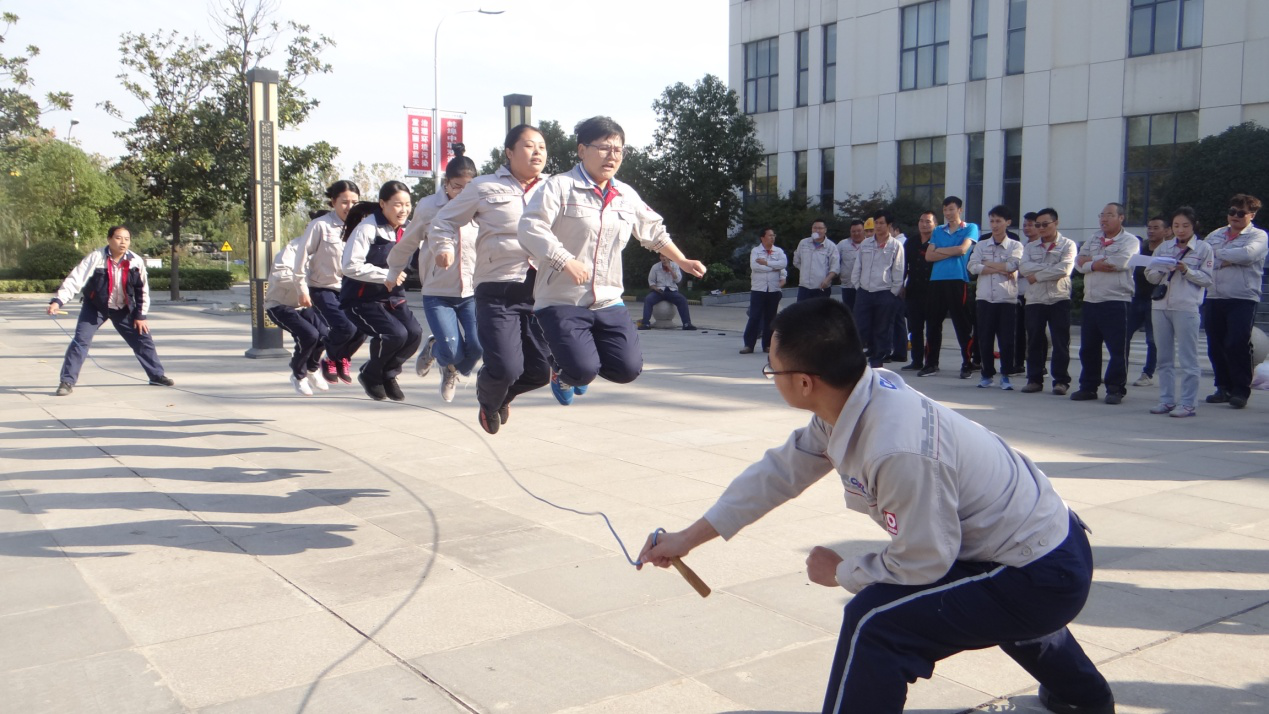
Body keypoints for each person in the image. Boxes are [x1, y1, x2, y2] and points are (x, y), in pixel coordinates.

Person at [638, 298, 1116, 714]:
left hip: (1042, 572)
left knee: (876, 620)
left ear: (804, 382)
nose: (771, 377)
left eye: (772, 369)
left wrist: (843, 570)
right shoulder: (855, 397)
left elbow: (924, 559)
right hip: (1035, 547)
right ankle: (1082, 695)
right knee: (974, 595)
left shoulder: (896, 447)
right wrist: (686, 539)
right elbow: (778, 474)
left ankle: (1078, 687)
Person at [519, 116, 706, 406]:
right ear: (582, 150)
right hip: (562, 299)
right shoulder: (559, 187)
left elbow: (653, 231)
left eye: (619, 150)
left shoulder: (625, 195)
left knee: (628, 369)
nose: (613, 156)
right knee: (583, 370)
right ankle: (565, 371)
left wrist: (682, 260)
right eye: (604, 148)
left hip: (607, 300)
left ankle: (576, 362)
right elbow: (531, 227)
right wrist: (564, 259)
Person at [430, 124, 551, 434]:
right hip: (499, 290)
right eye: (528, 145)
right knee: (507, 367)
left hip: (543, 290)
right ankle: (488, 394)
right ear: (509, 153)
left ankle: (501, 395)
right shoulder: (483, 187)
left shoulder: (554, 188)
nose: (537, 151)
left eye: (542, 146)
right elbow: (443, 221)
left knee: (540, 371)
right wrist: (444, 249)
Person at [386, 146, 483, 403]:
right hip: (438, 292)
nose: (462, 192)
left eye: (469, 186)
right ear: (446, 184)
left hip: (473, 291)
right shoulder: (429, 207)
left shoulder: (482, 206)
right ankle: (437, 349)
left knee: (477, 346)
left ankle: (449, 367)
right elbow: (407, 242)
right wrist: (394, 270)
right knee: (451, 348)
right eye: (456, 186)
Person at [48, 225, 174, 396]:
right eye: (118, 238)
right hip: (95, 307)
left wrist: (140, 315)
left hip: (123, 308)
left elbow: (142, 290)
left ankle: (156, 375)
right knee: (80, 341)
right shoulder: (96, 258)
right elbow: (76, 279)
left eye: (127, 239)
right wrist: (58, 301)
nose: (123, 242)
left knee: (143, 339)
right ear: (109, 239)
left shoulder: (135, 262)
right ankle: (67, 381)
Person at [340, 181, 424, 402]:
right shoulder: (367, 228)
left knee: (414, 333)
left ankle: (386, 374)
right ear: (382, 204)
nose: (404, 210)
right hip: (361, 300)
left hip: (393, 296)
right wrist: (385, 275)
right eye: (397, 204)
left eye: (407, 204)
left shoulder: (409, 229)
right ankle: (371, 375)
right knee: (395, 334)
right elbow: (349, 266)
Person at [1145, 207, 1215, 418]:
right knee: (1164, 357)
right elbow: (1149, 275)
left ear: (1194, 227)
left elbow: (1207, 279)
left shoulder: (1203, 249)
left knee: (1188, 358)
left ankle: (1187, 403)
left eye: (1185, 226)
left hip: (1186, 307)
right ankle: (1166, 400)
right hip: (1160, 306)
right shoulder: (1164, 248)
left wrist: (1186, 270)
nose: (1180, 230)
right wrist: (1161, 269)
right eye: (1176, 226)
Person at [1201, 193, 1268, 410]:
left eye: (1241, 213)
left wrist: (1217, 257)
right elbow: (1203, 256)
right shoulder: (1216, 234)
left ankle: (1240, 390)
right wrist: (1227, 258)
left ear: (1252, 215)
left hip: (1242, 297)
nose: (1235, 217)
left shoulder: (1258, 236)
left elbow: (1248, 255)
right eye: (1232, 212)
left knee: (1236, 342)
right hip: (1214, 296)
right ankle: (1223, 387)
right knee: (1216, 344)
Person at [1071, 203, 1139, 405]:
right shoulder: (1093, 238)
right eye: (1102, 215)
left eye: (1109, 215)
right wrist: (1095, 263)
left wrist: (1090, 262)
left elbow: (1120, 262)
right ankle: (1088, 387)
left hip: (1116, 300)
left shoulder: (1130, 241)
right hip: (1091, 300)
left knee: (1117, 349)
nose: (1104, 219)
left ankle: (1115, 388)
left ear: (1121, 218)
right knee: (1088, 348)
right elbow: (1078, 263)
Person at [297, 180, 364, 385]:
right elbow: (301, 255)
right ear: (333, 202)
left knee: (363, 328)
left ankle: (341, 358)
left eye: (354, 202)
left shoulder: (363, 226)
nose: (350, 207)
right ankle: (329, 360)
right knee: (346, 327)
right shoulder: (321, 225)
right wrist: (301, 288)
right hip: (323, 288)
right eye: (344, 202)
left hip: (351, 288)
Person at [265, 224, 331, 396]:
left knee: (325, 334)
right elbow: (279, 276)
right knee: (309, 335)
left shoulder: (329, 252)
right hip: (279, 305)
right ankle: (298, 375)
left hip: (304, 305)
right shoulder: (294, 248)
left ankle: (312, 369)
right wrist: (305, 283)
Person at [1019, 208, 1077, 395]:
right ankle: (1034, 379)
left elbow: (1065, 269)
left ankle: (1061, 381)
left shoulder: (1068, 245)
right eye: (1038, 225)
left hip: (1058, 298)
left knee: (1060, 341)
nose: (1041, 228)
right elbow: (1024, 268)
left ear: (1056, 223)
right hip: (1035, 299)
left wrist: (1038, 274)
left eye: (1045, 224)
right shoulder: (1030, 247)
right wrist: (1048, 269)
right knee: (1035, 339)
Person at [922, 196, 980, 378]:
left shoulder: (970, 228)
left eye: (951, 209)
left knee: (961, 323)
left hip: (957, 280)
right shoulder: (938, 230)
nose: (948, 213)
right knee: (932, 323)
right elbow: (928, 256)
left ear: (960, 210)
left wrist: (940, 250)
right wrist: (950, 251)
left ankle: (967, 363)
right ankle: (931, 363)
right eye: (945, 210)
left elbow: (962, 250)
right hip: (936, 280)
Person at [968, 205, 1024, 390]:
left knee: (1007, 339)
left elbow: (1012, 266)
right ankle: (986, 374)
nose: (994, 225)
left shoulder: (1015, 245)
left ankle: (1006, 375)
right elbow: (973, 266)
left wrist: (987, 265)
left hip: (1006, 298)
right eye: (992, 221)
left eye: (998, 221)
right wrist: (998, 266)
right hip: (984, 298)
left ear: (1008, 222)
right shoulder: (982, 244)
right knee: (984, 338)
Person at [850, 211, 905, 368]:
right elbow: (858, 266)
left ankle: (878, 359)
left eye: (881, 223)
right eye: (876, 223)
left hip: (884, 292)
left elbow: (898, 270)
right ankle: (858, 357)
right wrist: (857, 285)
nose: (878, 226)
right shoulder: (866, 244)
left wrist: (892, 293)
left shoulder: (896, 245)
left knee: (882, 328)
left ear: (889, 225)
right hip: (864, 291)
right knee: (860, 326)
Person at [1127, 216, 1169, 388]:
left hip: (1156, 299)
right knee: (1124, 335)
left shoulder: (1168, 250)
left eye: (1156, 228)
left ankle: (1148, 373)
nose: (1151, 231)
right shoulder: (1141, 247)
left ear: (1167, 231)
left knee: (1152, 339)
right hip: (1137, 297)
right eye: (1149, 227)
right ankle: (1120, 369)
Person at [901, 211, 936, 372]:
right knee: (915, 327)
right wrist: (901, 285)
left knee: (932, 329)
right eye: (921, 221)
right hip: (913, 289)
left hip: (933, 290)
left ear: (935, 224)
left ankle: (931, 362)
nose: (924, 224)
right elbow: (903, 266)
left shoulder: (938, 241)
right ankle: (916, 360)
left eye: (928, 221)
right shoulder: (911, 242)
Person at [742, 228, 787, 354]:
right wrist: (774, 267)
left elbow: (783, 264)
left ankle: (767, 345)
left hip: (773, 289)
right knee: (754, 316)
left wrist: (766, 263)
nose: (772, 238)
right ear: (762, 237)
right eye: (770, 235)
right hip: (758, 289)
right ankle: (748, 345)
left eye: (774, 235)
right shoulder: (756, 251)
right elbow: (755, 267)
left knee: (771, 318)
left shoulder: (778, 251)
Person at [1013, 211, 1043, 375]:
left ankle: (1039, 365)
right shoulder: (1020, 246)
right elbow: (1016, 268)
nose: (1027, 228)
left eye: (1031, 224)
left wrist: (1026, 269)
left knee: (1036, 331)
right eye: (1024, 225)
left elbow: (1041, 268)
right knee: (1018, 331)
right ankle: (1018, 363)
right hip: (1019, 293)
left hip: (1037, 294)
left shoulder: (1043, 246)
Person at [640, 255, 696, 331]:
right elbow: (651, 282)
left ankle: (686, 324)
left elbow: (678, 280)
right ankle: (645, 323)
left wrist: (670, 268)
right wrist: (655, 288)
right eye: (662, 256)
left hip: (671, 290)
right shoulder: (655, 267)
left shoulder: (675, 265)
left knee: (682, 300)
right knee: (648, 299)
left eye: (665, 257)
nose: (664, 258)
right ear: (660, 257)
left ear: (669, 257)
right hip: (659, 291)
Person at [792, 219, 839, 301]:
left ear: (825, 230)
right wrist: (805, 270)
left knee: (820, 313)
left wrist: (827, 280)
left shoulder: (831, 246)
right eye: (815, 228)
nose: (817, 230)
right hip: (804, 287)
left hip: (821, 288)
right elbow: (796, 261)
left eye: (820, 228)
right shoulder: (803, 243)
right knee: (801, 312)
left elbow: (835, 267)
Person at [837, 219, 866, 310]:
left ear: (863, 231)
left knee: (863, 312)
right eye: (853, 231)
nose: (856, 233)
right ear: (850, 231)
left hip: (864, 286)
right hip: (848, 286)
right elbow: (834, 261)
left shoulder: (869, 244)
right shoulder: (842, 244)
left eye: (859, 231)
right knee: (849, 312)